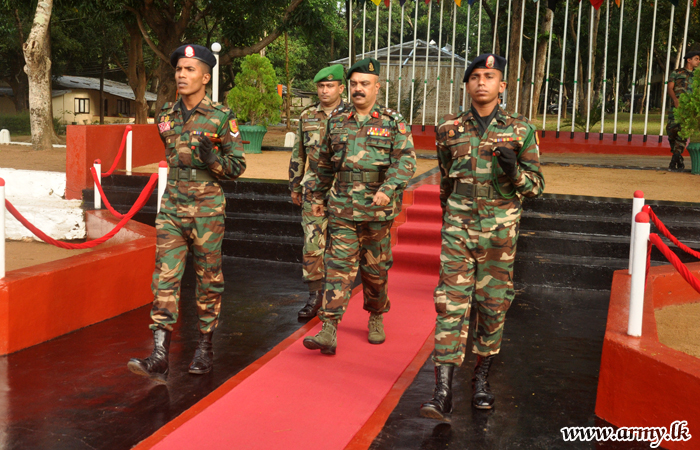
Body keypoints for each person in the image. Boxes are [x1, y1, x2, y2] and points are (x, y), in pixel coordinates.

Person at [420, 54, 544, 420]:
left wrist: (514, 171)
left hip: (499, 235)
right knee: (450, 305)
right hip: (458, 230)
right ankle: (442, 392)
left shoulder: (521, 130)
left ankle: (481, 378)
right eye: (475, 76)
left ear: (502, 85)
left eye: (489, 76)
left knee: (492, 306)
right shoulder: (448, 128)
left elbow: (536, 187)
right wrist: (452, 217)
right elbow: (445, 179)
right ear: (467, 84)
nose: (481, 82)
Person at [127, 44, 246, 384]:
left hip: (207, 209)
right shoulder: (165, 115)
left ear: (205, 77)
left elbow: (237, 166)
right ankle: (159, 355)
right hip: (172, 207)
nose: (181, 75)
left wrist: (213, 160)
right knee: (164, 277)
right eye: (179, 69)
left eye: (189, 69)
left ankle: (205, 347)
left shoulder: (221, 117)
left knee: (208, 280)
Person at [302, 57, 416, 355]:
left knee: (375, 270)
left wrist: (388, 188)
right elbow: (323, 164)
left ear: (377, 87)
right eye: (353, 84)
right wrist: (316, 198)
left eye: (364, 84)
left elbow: (406, 161)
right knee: (338, 266)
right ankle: (329, 327)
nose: (358, 89)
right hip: (342, 207)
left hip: (377, 210)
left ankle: (376, 315)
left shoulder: (392, 121)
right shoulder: (337, 121)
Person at [288, 64, 346, 319]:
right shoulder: (307, 116)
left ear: (341, 88)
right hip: (313, 191)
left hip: (344, 192)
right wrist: (294, 184)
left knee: (342, 247)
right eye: (321, 86)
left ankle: (337, 299)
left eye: (330, 86)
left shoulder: (352, 116)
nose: (324, 90)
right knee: (312, 246)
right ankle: (314, 297)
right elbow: (298, 153)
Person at [667, 51, 700, 171]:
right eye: (696, 59)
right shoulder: (677, 72)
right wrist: (675, 100)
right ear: (689, 60)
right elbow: (670, 88)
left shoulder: (698, 75)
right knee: (671, 131)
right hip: (676, 107)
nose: (699, 61)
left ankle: (675, 158)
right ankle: (678, 157)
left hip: (689, 109)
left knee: (683, 133)